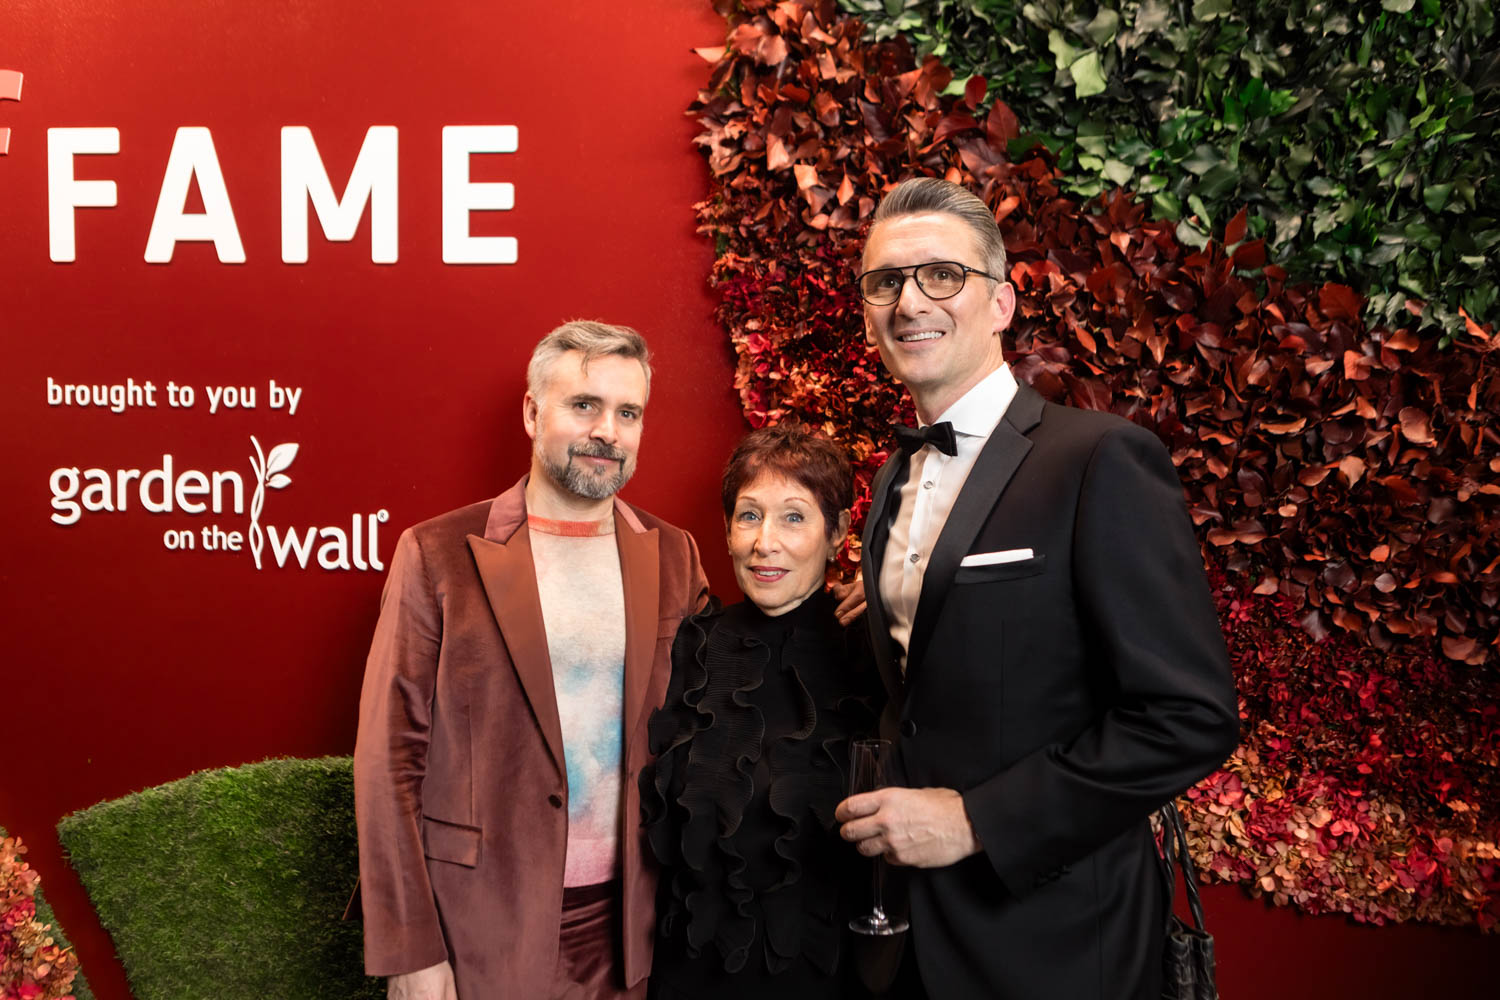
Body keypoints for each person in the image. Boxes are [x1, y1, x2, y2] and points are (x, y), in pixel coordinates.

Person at [833, 177, 1240, 999]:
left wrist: (976, 821)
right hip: (908, 938)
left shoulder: (1100, 459)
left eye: (941, 275)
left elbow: (1189, 718)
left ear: (1002, 305)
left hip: (1056, 942)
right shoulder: (891, 482)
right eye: (885, 282)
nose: (910, 301)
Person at [354, 320, 709, 1000]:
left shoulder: (674, 554)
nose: (608, 429)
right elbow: (387, 758)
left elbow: (722, 706)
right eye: (584, 405)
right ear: (532, 411)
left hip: (633, 932)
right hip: (480, 927)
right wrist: (410, 953)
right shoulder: (436, 554)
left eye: (627, 412)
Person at [641, 426, 882, 1000]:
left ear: (839, 533)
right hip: (690, 978)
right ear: (726, 532)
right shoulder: (686, 650)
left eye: (794, 517)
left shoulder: (876, 656)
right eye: (749, 516)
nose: (764, 543)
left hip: (834, 980)